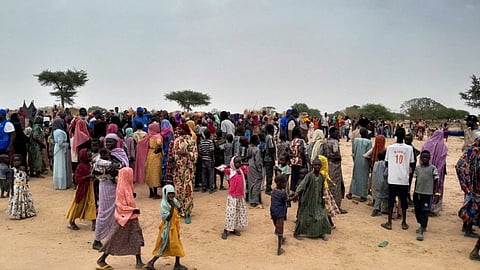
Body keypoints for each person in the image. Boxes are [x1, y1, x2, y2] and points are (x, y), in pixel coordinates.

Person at [96, 167, 145, 270]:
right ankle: (102, 259)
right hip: (124, 218)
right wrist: (132, 210)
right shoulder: (122, 188)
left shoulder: (126, 186)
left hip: (130, 217)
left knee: (135, 237)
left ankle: (139, 261)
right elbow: (120, 204)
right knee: (114, 238)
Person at [92, 133, 128, 250]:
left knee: (117, 212)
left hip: (118, 186)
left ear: (116, 142)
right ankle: (97, 240)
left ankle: (112, 238)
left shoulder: (121, 154)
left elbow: (125, 168)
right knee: (104, 211)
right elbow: (95, 171)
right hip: (106, 186)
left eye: (110, 142)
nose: (108, 144)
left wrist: (117, 170)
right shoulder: (100, 157)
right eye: (106, 142)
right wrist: (108, 172)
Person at [144, 185, 188, 270]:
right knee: (164, 246)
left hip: (174, 227)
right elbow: (167, 218)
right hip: (167, 229)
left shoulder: (174, 201)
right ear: (165, 194)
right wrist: (172, 208)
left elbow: (180, 209)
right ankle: (151, 262)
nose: (171, 196)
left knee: (176, 244)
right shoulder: (164, 204)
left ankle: (177, 264)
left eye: (172, 194)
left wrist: (176, 205)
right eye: (169, 194)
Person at [381, 128, 415, 231]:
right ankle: (404, 222)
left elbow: (386, 163)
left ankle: (389, 222)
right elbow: (412, 163)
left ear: (395, 135)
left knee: (391, 199)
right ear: (404, 136)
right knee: (403, 200)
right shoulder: (409, 149)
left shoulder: (390, 148)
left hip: (393, 178)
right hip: (404, 178)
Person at [291, 157, 331, 240]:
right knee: (303, 216)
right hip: (308, 199)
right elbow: (302, 185)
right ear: (312, 166)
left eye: (318, 165)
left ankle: (321, 232)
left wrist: (323, 199)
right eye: (315, 165)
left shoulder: (322, 177)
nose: (317, 166)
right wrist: (296, 194)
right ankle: (297, 233)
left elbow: (322, 188)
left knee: (321, 215)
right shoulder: (309, 176)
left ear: (321, 166)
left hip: (318, 200)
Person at [456, 137, 480, 260]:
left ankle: (466, 227)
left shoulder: (470, 152)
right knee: (474, 210)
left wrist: (465, 183)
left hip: (472, 188)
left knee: (471, 207)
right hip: (477, 189)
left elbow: (459, 165)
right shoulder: (478, 154)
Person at [171, 123, 198, 224]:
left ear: (185, 130)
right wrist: (173, 160)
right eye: (177, 129)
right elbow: (174, 154)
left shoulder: (191, 141)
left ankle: (187, 213)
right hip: (177, 170)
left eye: (180, 129)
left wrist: (186, 153)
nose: (178, 131)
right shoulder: (176, 141)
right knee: (178, 190)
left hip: (187, 171)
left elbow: (195, 156)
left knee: (187, 191)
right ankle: (179, 210)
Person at [219, 156, 249, 240]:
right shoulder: (230, 171)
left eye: (240, 162)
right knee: (230, 213)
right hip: (232, 196)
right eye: (237, 162)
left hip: (240, 196)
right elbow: (220, 167)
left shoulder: (241, 170)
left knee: (237, 212)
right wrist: (229, 165)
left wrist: (242, 165)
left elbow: (247, 170)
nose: (239, 164)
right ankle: (225, 230)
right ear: (233, 163)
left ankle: (232, 229)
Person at [66, 148, 96, 230]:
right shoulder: (80, 167)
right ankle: (71, 221)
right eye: (89, 157)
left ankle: (94, 223)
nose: (90, 158)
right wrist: (87, 177)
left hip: (90, 189)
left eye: (91, 156)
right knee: (78, 205)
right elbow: (76, 178)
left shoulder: (89, 165)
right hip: (82, 189)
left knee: (92, 204)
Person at [413, 150, 439, 241]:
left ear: (429, 158)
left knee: (425, 211)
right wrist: (415, 192)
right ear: (420, 158)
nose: (424, 159)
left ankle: (422, 228)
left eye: (426, 157)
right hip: (418, 193)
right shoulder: (418, 168)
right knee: (417, 210)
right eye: (423, 157)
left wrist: (436, 192)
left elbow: (436, 181)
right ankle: (421, 224)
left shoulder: (433, 168)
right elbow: (416, 180)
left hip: (427, 194)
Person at [421, 129, 447, 216]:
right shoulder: (443, 147)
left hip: (426, 170)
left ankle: (424, 205)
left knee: (425, 187)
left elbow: (422, 155)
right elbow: (442, 162)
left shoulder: (427, 143)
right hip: (439, 171)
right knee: (437, 188)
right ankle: (434, 205)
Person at [323, 127, 347, 214]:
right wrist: (339, 158)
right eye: (336, 132)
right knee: (336, 186)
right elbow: (336, 155)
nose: (338, 134)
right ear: (332, 133)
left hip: (327, 165)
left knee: (329, 185)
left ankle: (329, 205)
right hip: (335, 166)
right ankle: (337, 206)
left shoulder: (325, 141)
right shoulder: (335, 142)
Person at [137, 122, 163, 199]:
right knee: (155, 173)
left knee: (149, 173)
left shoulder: (149, 136)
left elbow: (140, 143)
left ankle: (151, 192)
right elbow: (159, 143)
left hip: (149, 154)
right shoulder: (158, 136)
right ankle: (155, 194)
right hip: (156, 155)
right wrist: (158, 148)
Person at [347, 128, 372, 202]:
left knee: (355, 176)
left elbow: (353, 151)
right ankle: (363, 196)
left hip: (357, 160)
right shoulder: (369, 142)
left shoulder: (356, 140)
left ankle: (351, 193)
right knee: (364, 178)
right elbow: (369, 154)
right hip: (365, 162)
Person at [8, 154, 36, 220]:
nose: (16, 162)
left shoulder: (23, 169)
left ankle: (25, 212)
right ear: (13, 162)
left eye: (18, 161)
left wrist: (26, 186)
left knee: (24, 200)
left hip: (23, 188)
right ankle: (16, 213)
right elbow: (10, 181)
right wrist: (11, 190)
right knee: (16, 201)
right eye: (15, 161)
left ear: (21, 161)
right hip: (16, 188)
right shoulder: (12, 170)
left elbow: (26, 178)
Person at [270, 175, 290, 255]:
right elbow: (286, 200)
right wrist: (295, 196)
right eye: (284, 183)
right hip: (280, 213)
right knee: (280, 230)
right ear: (280, 183)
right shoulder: (283, 193)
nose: (285, 184)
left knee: (277, 226)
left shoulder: (274, 191)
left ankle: (282, 239)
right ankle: (279, 248)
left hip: (273, 212)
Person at [52, 118, 72, 190]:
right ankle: (61, 183)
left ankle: (58, 183)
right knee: (61, 165)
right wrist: (67, 144)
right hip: (60, 149)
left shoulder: (55, 131)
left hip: (57, 148)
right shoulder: (60, 132)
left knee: (58, 165)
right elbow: (60, 143)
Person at [289, 127, 307, 192]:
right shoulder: (301, 141)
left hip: (293, 162)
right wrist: (304, 161)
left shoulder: (292, 141)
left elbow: (289, 152)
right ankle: (299, 191)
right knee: (300, 177)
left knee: (293, 177)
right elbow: (302, 151)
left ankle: (292, 191)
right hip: (300, 161)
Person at [248, 135, 263, 208]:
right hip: (255, 168)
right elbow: (258, 161)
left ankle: (251, 199)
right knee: (257, 183)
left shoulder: (249, 148)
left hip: (250, 167)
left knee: (251, 183)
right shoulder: (257, 150)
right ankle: (255, 201)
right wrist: (259, 169)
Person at [371, 150, 388, 217]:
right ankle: (377, 209)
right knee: (383, 196)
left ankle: (377, 207)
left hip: (375, 181)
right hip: (383, 182)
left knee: (377, 195)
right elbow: (386, 174)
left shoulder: (376, 163)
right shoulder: (385, 164)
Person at [264, 124, 276, 195]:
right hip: (269, 158)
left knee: (269, 173)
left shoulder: (266, 137)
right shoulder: (270, 137)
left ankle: (269, 187)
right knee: (269, 173)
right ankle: (268, 188)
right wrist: (273, 158)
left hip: (267, 158)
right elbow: (271, 148)